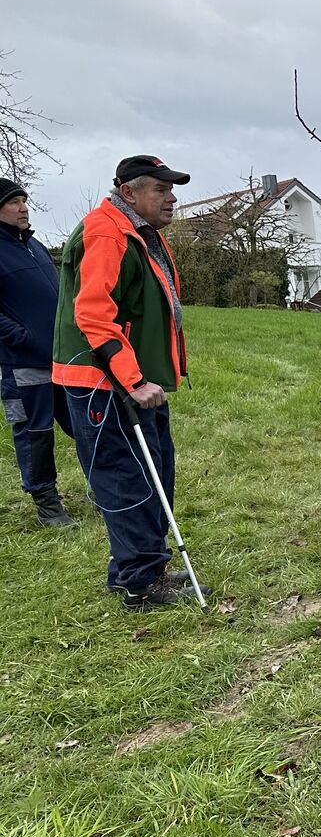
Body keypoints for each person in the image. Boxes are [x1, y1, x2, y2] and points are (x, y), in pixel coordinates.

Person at [53, 156, 195, 609]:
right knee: (127, 478)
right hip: (105, 382)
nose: (171, 197)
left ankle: (142, 566)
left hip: (135, 379)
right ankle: (139, 583)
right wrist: (132, 380)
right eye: (160, 188)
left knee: (155, 470)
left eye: (172, 189)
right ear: (128, 192)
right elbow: (93, 311)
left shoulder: (138, 231)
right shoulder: (107, 231)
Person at [1, 178, 76, 528]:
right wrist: (22, 337)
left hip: (63, 359)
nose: (23, 207)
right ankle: (47, 503)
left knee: (83, 426)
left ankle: (104, 489)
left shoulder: (35, 246)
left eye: (24, 200)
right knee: (36, 434)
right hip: (23, 364)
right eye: (14, 202)